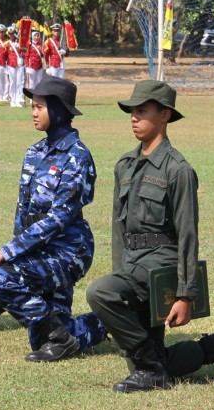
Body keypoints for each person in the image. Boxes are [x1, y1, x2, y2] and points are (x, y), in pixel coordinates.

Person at [0, 77, 109, 361]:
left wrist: (9, 251)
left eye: (40, 107)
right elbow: (23, 210)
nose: (33, 112)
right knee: (41, 341)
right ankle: (108, 321)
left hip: (67, 251)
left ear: (60, 111)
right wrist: (20, 249)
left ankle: (62, 337)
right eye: (32, 106)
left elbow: (59, 217)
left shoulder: (77, 156)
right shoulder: (34, 152)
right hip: (39, 249)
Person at [86, 80, 200, 392]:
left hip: (160, 262)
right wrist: (119, 272)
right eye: (132, 111)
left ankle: (151, 370)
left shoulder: (178, 169)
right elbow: (118, 229)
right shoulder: (124, 165)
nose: (134, 117)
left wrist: (186, 294)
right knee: (158, 358)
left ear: (164, 115)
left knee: (100, 292)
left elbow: (188, 234)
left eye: (142, 110)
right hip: (133, 265)